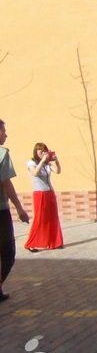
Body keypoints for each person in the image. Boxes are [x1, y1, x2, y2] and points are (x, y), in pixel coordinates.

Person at [0, 119, 30, 302]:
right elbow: (5, 182)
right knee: (7, 253)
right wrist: (19, 208)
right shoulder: (2, 154)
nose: (6, 134)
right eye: (3, 131)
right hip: (0, 211)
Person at [24, 143, 64, 252]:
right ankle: (30, 243)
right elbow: (35, 173)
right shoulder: (31, 163)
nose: (42, 152)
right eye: (40, 150)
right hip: (40, 193)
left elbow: (58, 171)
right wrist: (42, 161)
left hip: (50, 192)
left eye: (44, 150)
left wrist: (56, 161)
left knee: (52, 217)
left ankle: (54, 242)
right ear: (35, 152)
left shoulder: (47, 164)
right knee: (39, 218)